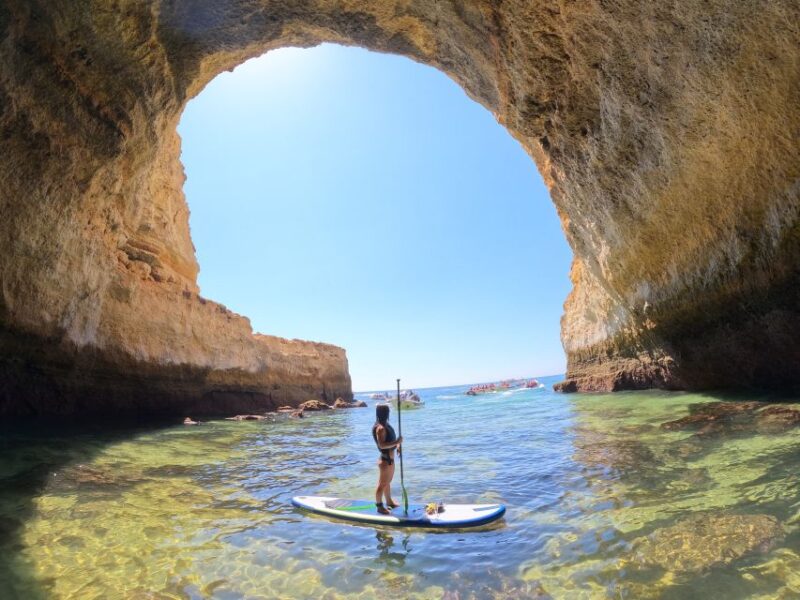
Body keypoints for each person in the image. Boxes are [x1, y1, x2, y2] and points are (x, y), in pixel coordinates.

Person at [372, 404, 403, 514]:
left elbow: (391, 441)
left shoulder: (386, 425)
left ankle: (389, 502)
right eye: (387, 412)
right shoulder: (380, 428)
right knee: (382, 484)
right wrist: (397, 442)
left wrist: (397, 446)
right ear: (386, 413)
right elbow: (382, 445)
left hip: (390, 460)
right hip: (385, 461)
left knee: (387, 482)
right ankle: (379, 506)